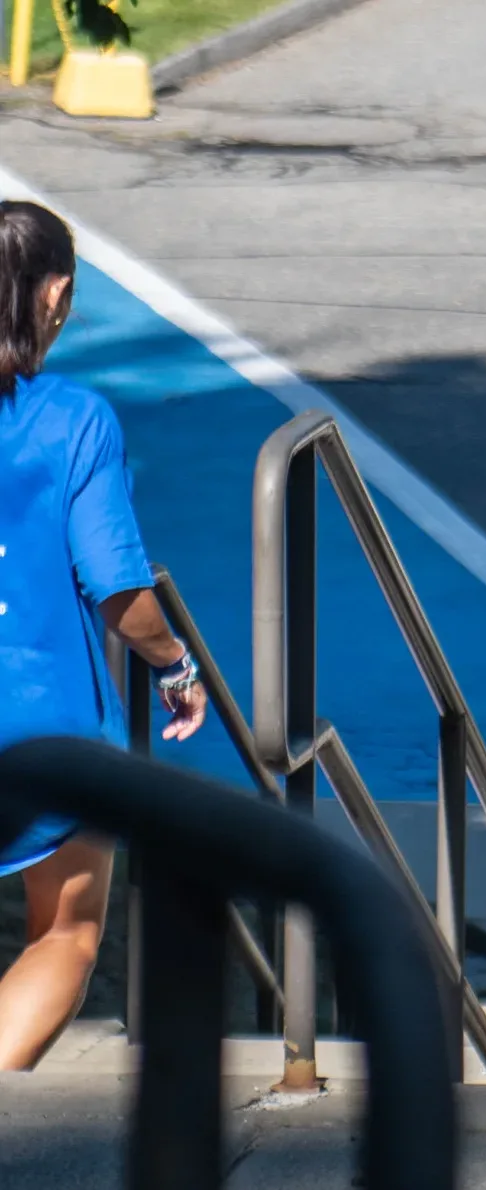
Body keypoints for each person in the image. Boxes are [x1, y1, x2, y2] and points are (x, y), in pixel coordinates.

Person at [0, 199, 206, 1071]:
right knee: (68, 934)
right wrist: (176, 666)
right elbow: (119, 588)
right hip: (39, 726)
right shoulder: (73, 421)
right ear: (55, 295)